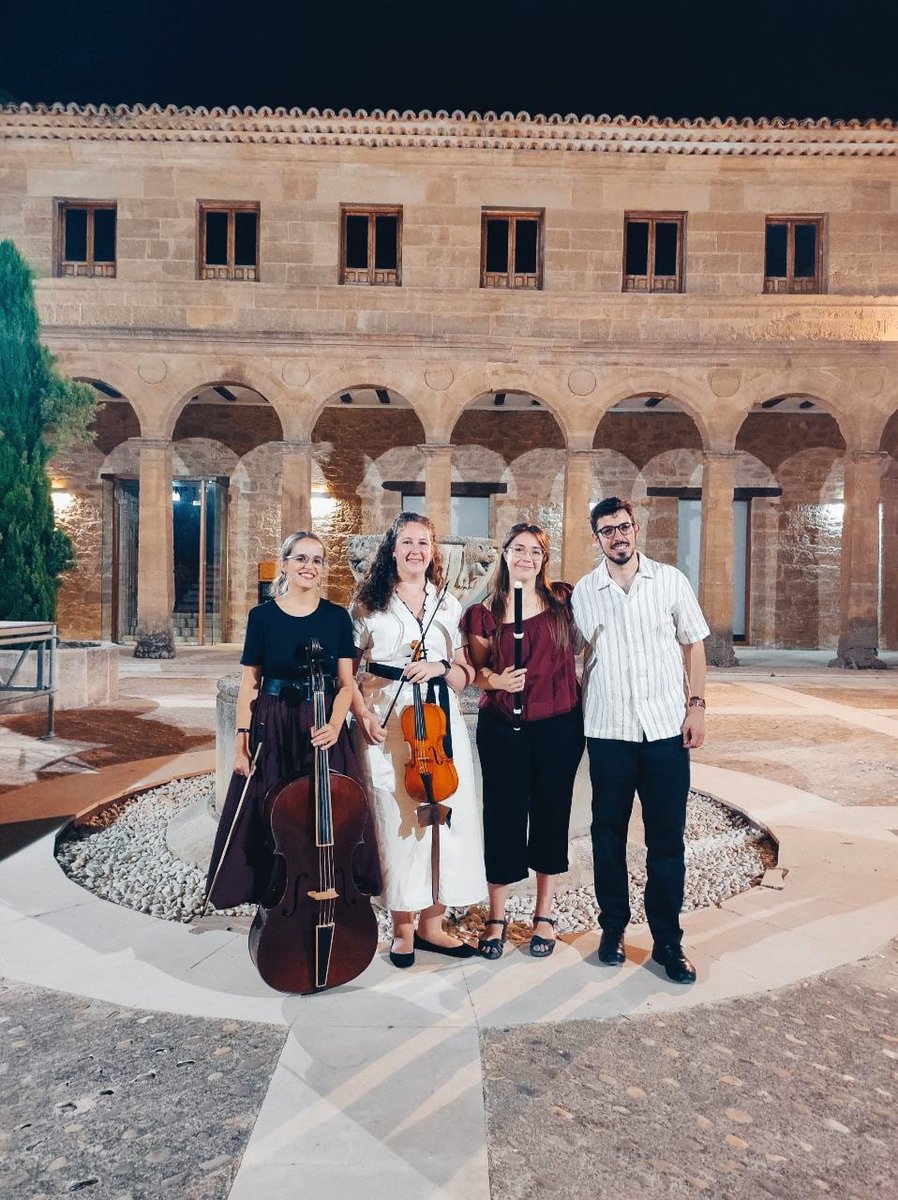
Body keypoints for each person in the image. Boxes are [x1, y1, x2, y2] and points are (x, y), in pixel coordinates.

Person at [571, 497, 709, 984]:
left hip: (665, 730)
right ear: (597, 538)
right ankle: (612, 929)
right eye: (607, 530)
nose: (618, 536)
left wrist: (696, 707)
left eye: (624, 527)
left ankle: (668, 941)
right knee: (607, 835)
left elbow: (694, 644)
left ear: (636, 529)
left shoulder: (670, 580)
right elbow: (576, 655)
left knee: (666, 839)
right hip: (609, 731)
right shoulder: (585, 592)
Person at [205, 530, 378, 911]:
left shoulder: (336, 618)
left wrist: (334, 725)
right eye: (301, 558)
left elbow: (346, 685)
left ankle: (327, 885)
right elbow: (251, 682)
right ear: (284, 564)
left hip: (321, 724)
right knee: (269, 808)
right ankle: (275, 892)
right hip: (275, 719)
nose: (309, 567)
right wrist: (241, 740)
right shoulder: (262, 616)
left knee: (327, 810)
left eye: (317, 560)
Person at [350, 512, 487, 967]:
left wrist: (444, 669)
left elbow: (467, 672)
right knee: (395, 820)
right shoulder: (369, 604)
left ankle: (433, 924)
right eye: (406, 542)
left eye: (423, 543)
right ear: (392, 550)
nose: (415, 551)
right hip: (387, 719)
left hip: (440, 725)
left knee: (444, 818)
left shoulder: (449, 604)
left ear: (434, 551)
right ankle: (403, 928)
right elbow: (346, 673)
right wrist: (362, 713)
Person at [461, 522, 584, 959]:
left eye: (535, 551)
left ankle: (544, 914)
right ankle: (497, 916)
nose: (526, 557)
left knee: (552, 815)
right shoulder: (484, 613)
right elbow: (475, 671)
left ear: (544, 559)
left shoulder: (564, 602)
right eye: (518, 549)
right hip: (503, 730)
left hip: (558, 725)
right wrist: (496, 679)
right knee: (502, 818)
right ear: (505, 554)